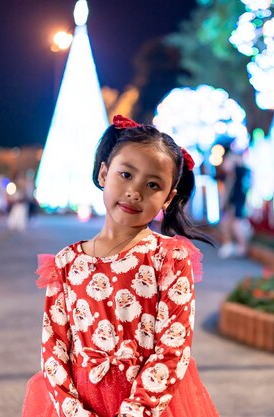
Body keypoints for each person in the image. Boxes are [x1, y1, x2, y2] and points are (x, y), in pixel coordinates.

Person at [21, 115, 219, 417]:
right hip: (80, 405)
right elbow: (54, 348)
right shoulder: (65, 263)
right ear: (104, 173)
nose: (135, 191)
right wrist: (73, 411)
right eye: (126, 175)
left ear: (168, 198)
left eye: (153, 184)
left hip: (149, 406)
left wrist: (135, 412)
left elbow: (172, 348)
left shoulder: (169, 258)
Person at [217, 146, 251, 259]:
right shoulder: (239, 173)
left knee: (235, 223)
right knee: (228, 223)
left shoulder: (238, 172)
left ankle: (242, 247)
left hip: (235, 200)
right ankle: (233, 245)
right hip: (235, 200)